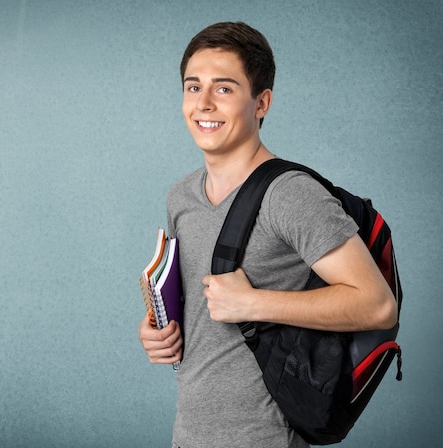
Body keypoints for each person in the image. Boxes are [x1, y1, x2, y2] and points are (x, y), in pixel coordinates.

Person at [137, 22, 398, 448]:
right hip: (189, 435)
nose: (203, 104)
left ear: (262, 102)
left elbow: (377, 305)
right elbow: (203, 313)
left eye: (223, 89)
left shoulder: (289, 195)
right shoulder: (180, 196)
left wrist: (252, 302)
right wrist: (158, 331)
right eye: (192, 87)